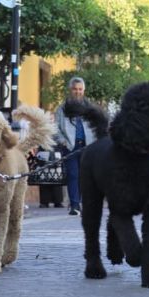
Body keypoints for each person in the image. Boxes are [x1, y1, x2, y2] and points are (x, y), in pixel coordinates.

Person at [54, 77, 98, 216]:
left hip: (88, 146)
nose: (77, 92)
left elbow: (96, 125)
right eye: (75, 89)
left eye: (80, 89)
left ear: (83, 90)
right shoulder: (62, 108)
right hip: (70, 146)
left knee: (86, 176)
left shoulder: (90, 108)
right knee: (73, 175)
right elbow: (56, 129)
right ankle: (74, 205)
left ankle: (86, 204)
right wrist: (63, 142)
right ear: (70, 90)